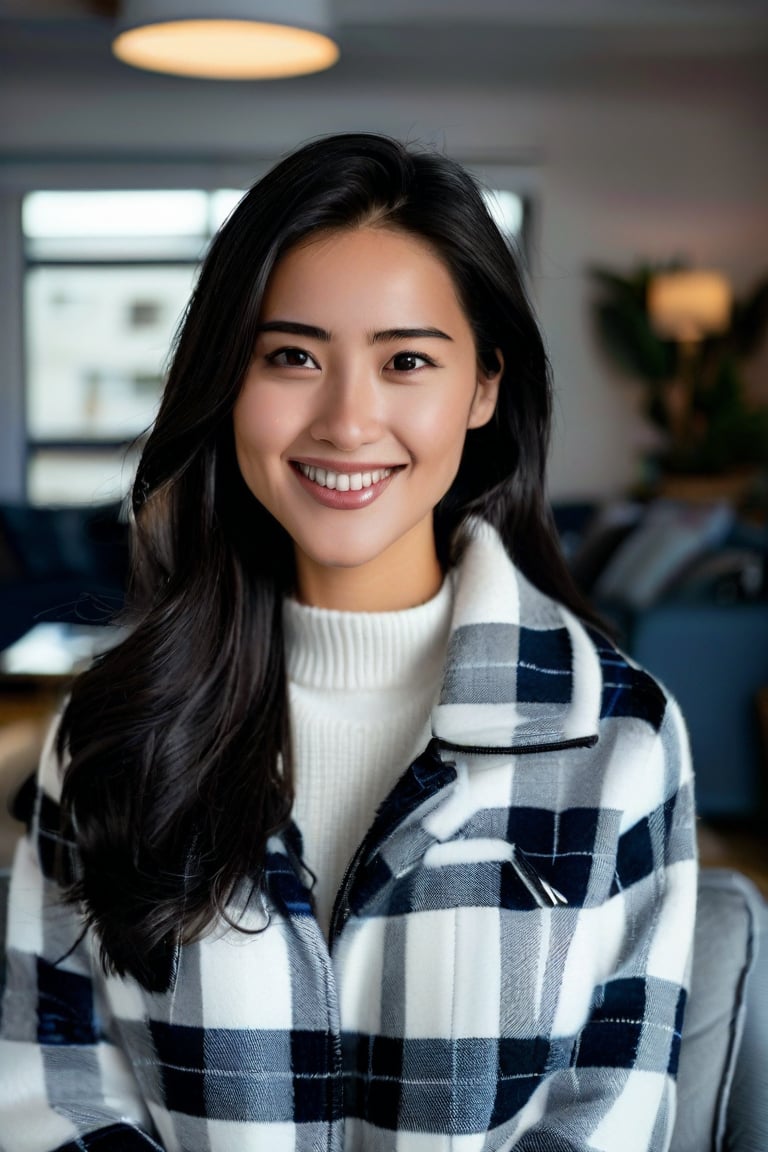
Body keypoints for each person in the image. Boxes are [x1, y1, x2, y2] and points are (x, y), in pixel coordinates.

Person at [0, 133, 696, 1151]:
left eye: (407, 359)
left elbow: (613, 1109)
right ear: (228, 382)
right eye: (292, 357)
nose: (347, 418)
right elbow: (46, 1079)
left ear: (485, 388)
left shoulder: (620, 738)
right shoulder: (106, 732)